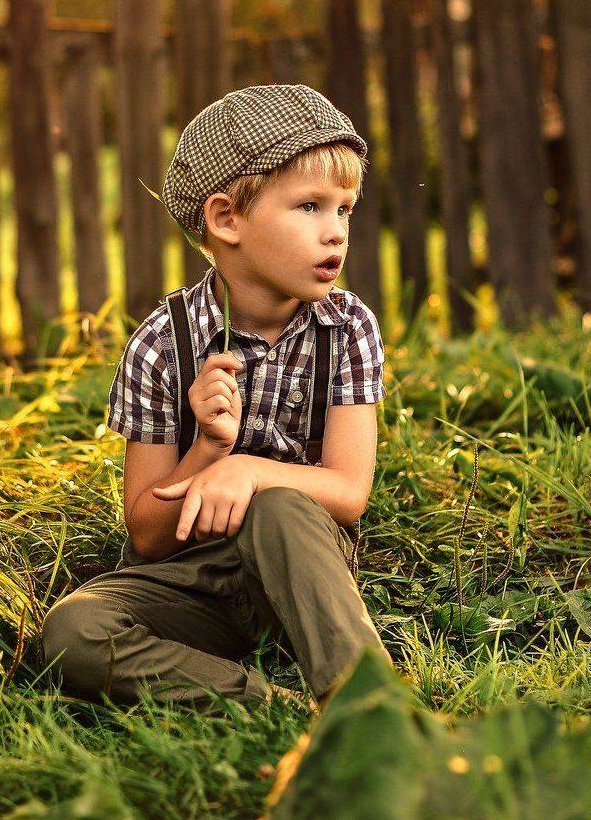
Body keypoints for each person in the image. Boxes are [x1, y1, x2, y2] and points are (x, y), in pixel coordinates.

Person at [39, 83, 394, 713]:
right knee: (74, 629)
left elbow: (348, 491)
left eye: (344, 209)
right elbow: (148, 536)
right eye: (309, 206)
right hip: (189, 587)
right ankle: (271, 707)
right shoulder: (162, 345)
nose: (335, 233)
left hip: (302, 578)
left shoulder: (347, 328)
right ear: (226, 218)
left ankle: (370, 707)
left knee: (279, 507)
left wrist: (248, 470)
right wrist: (207, 449)